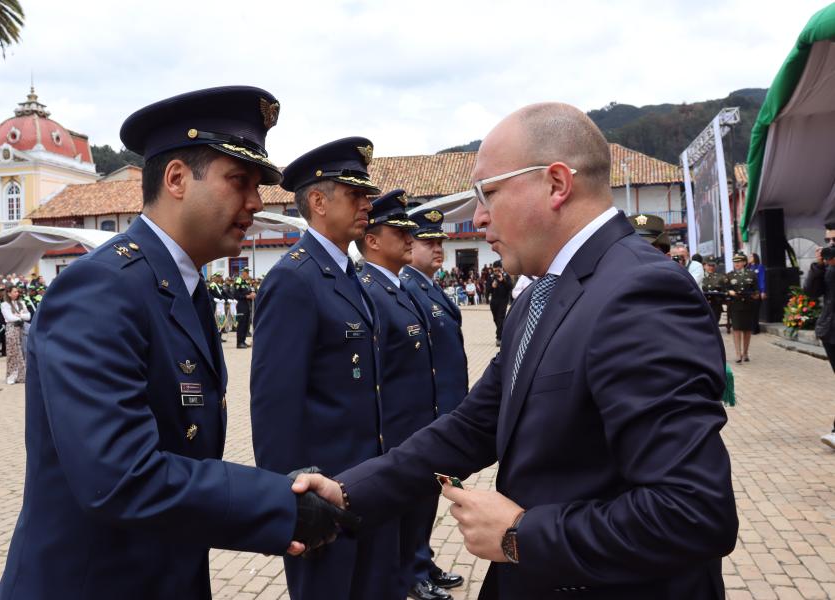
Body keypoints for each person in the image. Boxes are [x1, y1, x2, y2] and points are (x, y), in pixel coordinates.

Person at [294, 102, 738, 599]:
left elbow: (694, 513)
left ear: (555, 184)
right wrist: (347, 491)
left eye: (489, 192)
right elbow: (473, 425)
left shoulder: (640, 292)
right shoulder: (543, 293)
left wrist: (521, 536)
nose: (479, 216)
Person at [0, 87, 353, 600]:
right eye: (239, 181)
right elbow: (119, 476)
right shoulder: (101, 288)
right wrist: (280, 504)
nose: (256, 202)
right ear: (178, 179)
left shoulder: (182, 284)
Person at [250, 137, 400, 600]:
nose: (367, 204)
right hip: (323, 495)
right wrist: (293, 504)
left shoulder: (347, 273)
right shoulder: (294, 279)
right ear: (318, 201)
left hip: (366, 486)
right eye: (355, 194)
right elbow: (276, 407)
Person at [355, 191, 441, 600]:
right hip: (397, 430)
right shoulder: (371, 290)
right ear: (372, 239)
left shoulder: (401, 287)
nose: (411, 238)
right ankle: (409, 574)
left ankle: (414, 569)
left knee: (419, 507)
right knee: (402, 512)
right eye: (399, 231)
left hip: (419, 424)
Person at [400, 207, 467, 598]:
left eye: (441, 241)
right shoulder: (408, 287)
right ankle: (412, 568)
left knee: (427, 496)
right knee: (416, 496)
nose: (438, 248)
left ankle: (422, 559)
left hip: (443, 410)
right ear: (410, 246)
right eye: (429, 242)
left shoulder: (428, 284)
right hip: (425, 413)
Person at [804, 223, 835, 450]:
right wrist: (818, 266)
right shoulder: (828, 265)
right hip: (830, 330)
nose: (830, 245)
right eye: (828, 241)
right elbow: (811, 293)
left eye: (834, 240)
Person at [726, 252, 759, 363]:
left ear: (744, 262)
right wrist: (729, 291)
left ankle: (745, 353)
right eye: (735, 262)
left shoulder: (751, 274)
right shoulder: (730, 275)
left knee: (747, 330)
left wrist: (755, 294)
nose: (737, 264)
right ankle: (738, 354)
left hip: (748, 304)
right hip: (735, 305)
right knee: (736, 329)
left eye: (739, 262)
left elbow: (756, 289)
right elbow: (726, 288)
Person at [0, 284, 30, 385]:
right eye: (14, 292)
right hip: (12, 329)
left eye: (17, 291)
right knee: (12, 352)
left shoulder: (21, 303)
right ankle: (11, 375)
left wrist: (19, 315)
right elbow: (9, 318)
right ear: (9, 293)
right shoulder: (5, 304)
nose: (17, 293)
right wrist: (21, 316)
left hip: (21, 329)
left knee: (22, 351)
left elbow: (29, 316)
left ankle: (22, 375)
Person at [489, 260, 512, 346]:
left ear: (502, 269)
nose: (496, 272)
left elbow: (510, 287)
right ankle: (501, 332)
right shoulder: (491, 277)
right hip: (494, 301)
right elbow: (487, 290)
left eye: (498, 270)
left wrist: (503, 280)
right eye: (495, 270)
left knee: (500, 319)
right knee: (496, 319)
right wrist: (491, 287)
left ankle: (499, 338)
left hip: (503, 301)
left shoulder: (506, 276)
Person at [233, 267, 255, 348]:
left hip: (247, 305)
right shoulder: (238, 281)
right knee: (241, 324)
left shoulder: (246, 283)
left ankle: (243, 341)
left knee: (246, 324)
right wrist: (247, 296)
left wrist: (252, 294)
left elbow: (249, 292)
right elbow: (236, 295)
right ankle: (239, 343)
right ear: (243, 273)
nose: (248, 274)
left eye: (248, 272)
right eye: (246, 272)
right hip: (241, 305)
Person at [701, 257, 727, 325]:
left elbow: (724, 291)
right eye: (709, 265)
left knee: (714, 325)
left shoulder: (720, 277)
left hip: (715, 305)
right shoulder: (699, 276)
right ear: (704, 266)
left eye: (713, 265)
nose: (711, 267)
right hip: (702, 304)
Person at [747, 252, 766, 334]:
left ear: (755, 257)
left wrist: (763, 291)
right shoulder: (748, 268)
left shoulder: (759, 267)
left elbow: (762, 279)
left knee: (755, 311)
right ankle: (754, 327)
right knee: (750, 311)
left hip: (757, 291)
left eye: (751, 256)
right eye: (749, 256)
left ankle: (754, 329)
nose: (749, 258)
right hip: (749, 292)